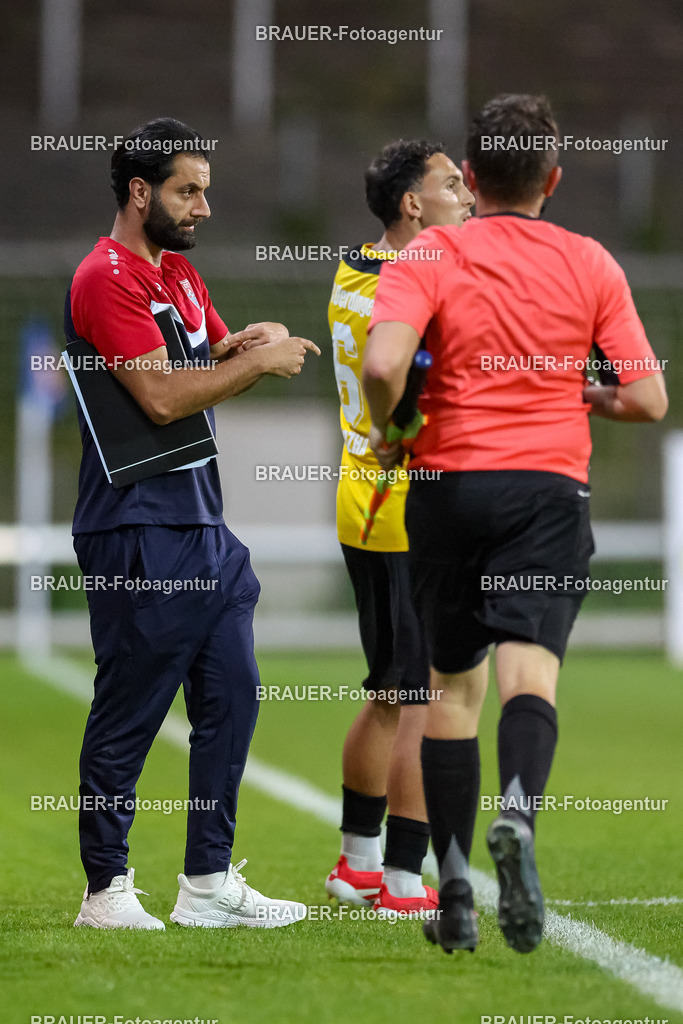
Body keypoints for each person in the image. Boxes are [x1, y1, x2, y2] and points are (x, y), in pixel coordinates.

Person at [362, 94, 667, 952]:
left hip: (448, 486)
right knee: (528, 672)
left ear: (470, 176)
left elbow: (383, 365)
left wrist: (391, 430)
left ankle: (455, 891)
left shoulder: (428, 252)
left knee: (451, 689)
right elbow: (648, 398)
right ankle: (519, 816)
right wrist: (588, 396)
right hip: (546, 490)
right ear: (552, 179)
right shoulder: (590, 260)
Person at [65, 117, 320, 930]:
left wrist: (248, 344)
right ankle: (105, 889)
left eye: (205, 190)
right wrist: (257, 363)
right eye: (188, 191)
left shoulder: (174, 271)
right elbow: (162, 397)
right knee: (130, 710)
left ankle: (207, 884)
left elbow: (203, 361)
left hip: (203, 525)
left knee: (231, 698)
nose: (203, 206)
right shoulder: (105, 277)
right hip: (137, 524)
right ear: (140, 193)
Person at [324, 141, 474, 917]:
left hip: (362, 500)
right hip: (408, 505)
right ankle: (406, 879)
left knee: (389, 690)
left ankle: (356, 864)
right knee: (425, 697)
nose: (467, 194)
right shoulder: (418, 282)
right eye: (450, 184)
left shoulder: (353, 269)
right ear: (412, 205)